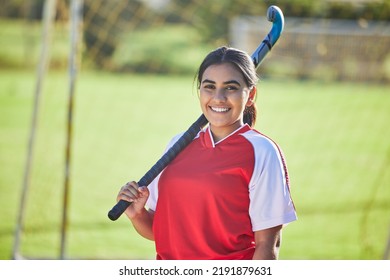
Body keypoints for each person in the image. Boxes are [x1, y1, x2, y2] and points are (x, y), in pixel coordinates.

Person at [116, 46, 297, 260]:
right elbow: (163, 233)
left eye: (230, 87)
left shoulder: (262, 151)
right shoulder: (178, 145)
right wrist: (138, 215)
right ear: (200, 91)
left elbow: (268, 246)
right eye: (209, 86)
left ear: (251, 95)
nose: (218, 97)